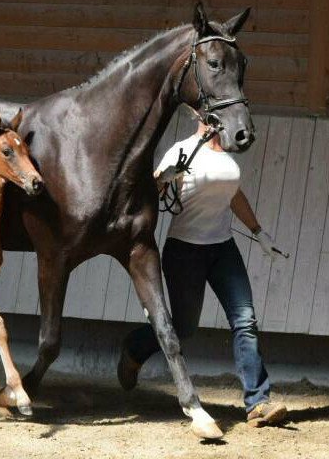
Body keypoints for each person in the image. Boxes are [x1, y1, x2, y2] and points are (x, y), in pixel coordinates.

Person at [119, 117, 288, 427]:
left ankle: (257, 402)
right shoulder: (181, 151)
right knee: (183, 328)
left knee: (245, 319)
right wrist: (165, 177)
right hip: (185, 250)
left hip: (223, 248)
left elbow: (233, 194)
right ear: (199, 116)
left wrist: (259, 232)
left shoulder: (226, 152)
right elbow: (150, 193)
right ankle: (133, 348)